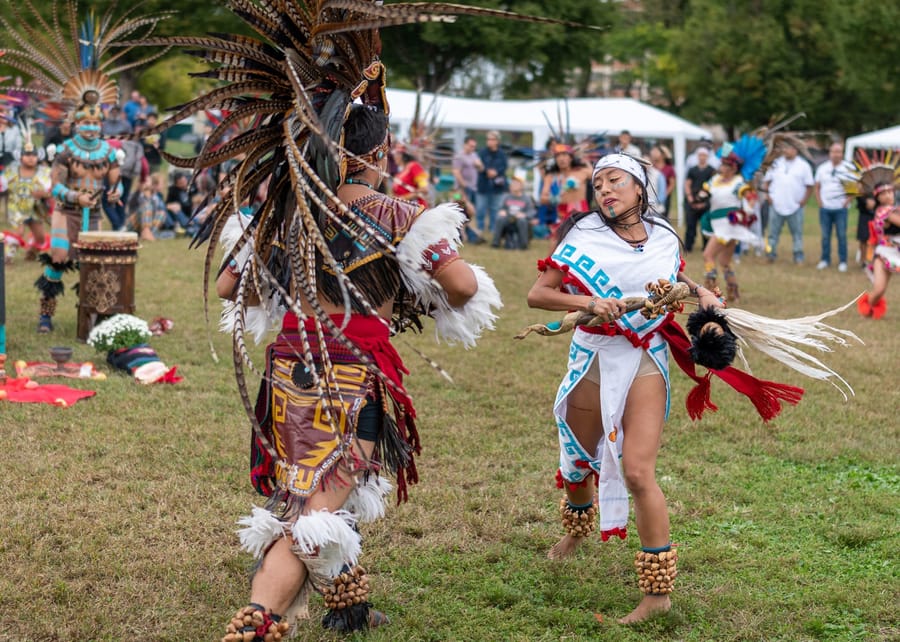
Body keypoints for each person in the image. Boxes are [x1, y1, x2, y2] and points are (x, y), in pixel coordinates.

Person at [215, 102, 501, 637]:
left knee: (312, 489)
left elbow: (231, 287)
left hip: (287, 371)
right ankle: (256, 625)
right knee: (312, 515)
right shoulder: (398, 214)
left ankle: (350, 607)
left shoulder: (285, 212)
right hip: (349, 376)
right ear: (374, 152)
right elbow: (461, 287)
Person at [526, 153, 724, 624]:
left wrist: (701, 291)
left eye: (614, 181)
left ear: (639, 187)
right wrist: (589, 300)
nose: (604, 191)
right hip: (592, 354)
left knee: (637, 472)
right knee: (578, 460)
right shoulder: (583, 234)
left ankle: (658, 595)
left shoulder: (664, 236)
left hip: (644, 356)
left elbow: (670, 279)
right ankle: (576, 529)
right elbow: (539, 294)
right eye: (597, 186)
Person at [699, 136, 766, 302]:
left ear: (733, 168)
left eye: (725, 165)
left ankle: (711, 292)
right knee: (724, 261)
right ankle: (733, 293)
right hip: (717, 222)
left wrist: (747, 211)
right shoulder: (714, 180)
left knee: (708, 255)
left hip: (728, 224)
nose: (721, 167)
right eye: (721, 164)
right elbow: (705, 191)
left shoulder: (738, 182)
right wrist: (700, 196)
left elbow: (751, 196)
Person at [0, 133, 52, 262]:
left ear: (38, 157)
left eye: (33, 155)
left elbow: (53, 191)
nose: (30, 158)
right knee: (19, 231)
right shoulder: (11, 171)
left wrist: (44, 194)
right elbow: (2, 186)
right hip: (16, 206)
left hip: (36, 208)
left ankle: (31, 253)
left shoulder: (44, 173)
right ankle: (7, 257)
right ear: (21, 157)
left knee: (40, 237)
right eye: (27, 155)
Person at [763, 143, 814, 264]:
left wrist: (804, 201)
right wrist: (768, 196)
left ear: (796, 150)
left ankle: (798, 256)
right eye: (784, 148)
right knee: (772, 233)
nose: (786, 150)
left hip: (795, 206)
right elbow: (767, 182)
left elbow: (810, 185)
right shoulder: (776, 163)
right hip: (776, 204)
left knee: (797, 233)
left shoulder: (803, 165)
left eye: (789, 148)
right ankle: (771, 253)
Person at [856, 183, 900, 318]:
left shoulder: (895, 209)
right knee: (879, 289)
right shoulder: (883, 211)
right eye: (884, 193)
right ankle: (868, 310)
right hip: (884, 254)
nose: (888, 195)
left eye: (890, 192)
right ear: (878, 198)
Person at [539, 143, 592, 240]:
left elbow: (596, 175)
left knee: (582, 241)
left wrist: (584, 158)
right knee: (556, 242)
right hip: (562, 214)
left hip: (580, 213)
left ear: (571, 157)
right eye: (558, 156)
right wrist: (553, 199)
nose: (561, 159)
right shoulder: (551, 176)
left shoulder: (581, 172)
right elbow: (542, 199)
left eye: (564, 155)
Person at [813, 142, 851, 272]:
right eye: (833, 151)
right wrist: (820, 202)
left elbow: (854, 189)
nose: (836, 154)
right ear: (829, 153)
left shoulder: (847, 169)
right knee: (825, 235)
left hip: (840, 209)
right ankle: (825, 259)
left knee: (841, 235)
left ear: (842, 154)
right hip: (825, 208)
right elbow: (817, 187)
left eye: (839, 152)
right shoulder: (822, 168)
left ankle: (843, 261)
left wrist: (847, 201)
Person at [475, 130, 508, 235]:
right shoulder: (482, 152)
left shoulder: (502, 154)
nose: (490, 141)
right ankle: (480, 227)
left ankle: (494, 228)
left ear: (497, 141)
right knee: (480, 208)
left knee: (496, 208)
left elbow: (504, 166)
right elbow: (478, 165)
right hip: (483, 185)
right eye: (488, 139)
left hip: (497, 186)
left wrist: (496, 172)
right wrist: (486, 171)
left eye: (492, 139)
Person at [683, 147, 716, 252]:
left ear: (707, 157)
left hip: (706, 202)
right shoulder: (692, 170)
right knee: (690, 224)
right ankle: (688, 246)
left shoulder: (711, 170)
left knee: (705, 224)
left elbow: (713, 186)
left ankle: (706, 246)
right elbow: (687, 184)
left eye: (704, 155)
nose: (702, 157)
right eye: (700, 155)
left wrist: (705, 202)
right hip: (692, 200)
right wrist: (690, 197)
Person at [491, 177, 535, 249]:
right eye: (513, 184)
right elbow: (500, 208)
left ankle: (524, 244)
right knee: (500, 218)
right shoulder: (506, 197)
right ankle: (496, 242)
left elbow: (532, 211)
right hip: (508, 218)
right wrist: (502, 211)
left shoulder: (526, 198)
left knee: (522, 221)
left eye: (516, 184)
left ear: (521, 186)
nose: (514, 185)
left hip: (520, 219)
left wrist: (524, 215)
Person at [390, 142, 429, 206]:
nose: (394, 157)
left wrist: (404, 198)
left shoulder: (414, 166)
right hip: (403, 209)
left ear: (403, 155)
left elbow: (424, 189)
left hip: (416, 208)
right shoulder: (399, 173)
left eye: (397, 154)